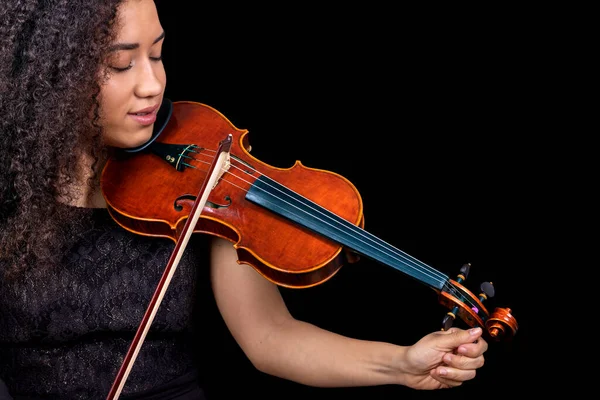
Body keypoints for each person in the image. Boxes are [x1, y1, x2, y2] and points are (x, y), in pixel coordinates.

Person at [0, 0, 489, 399]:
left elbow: (270, 338)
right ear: (52, 74)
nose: (151, 85)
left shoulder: (208, 176)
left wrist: (402, 364)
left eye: (158, 54)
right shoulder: (9, 195)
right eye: (120, 64)